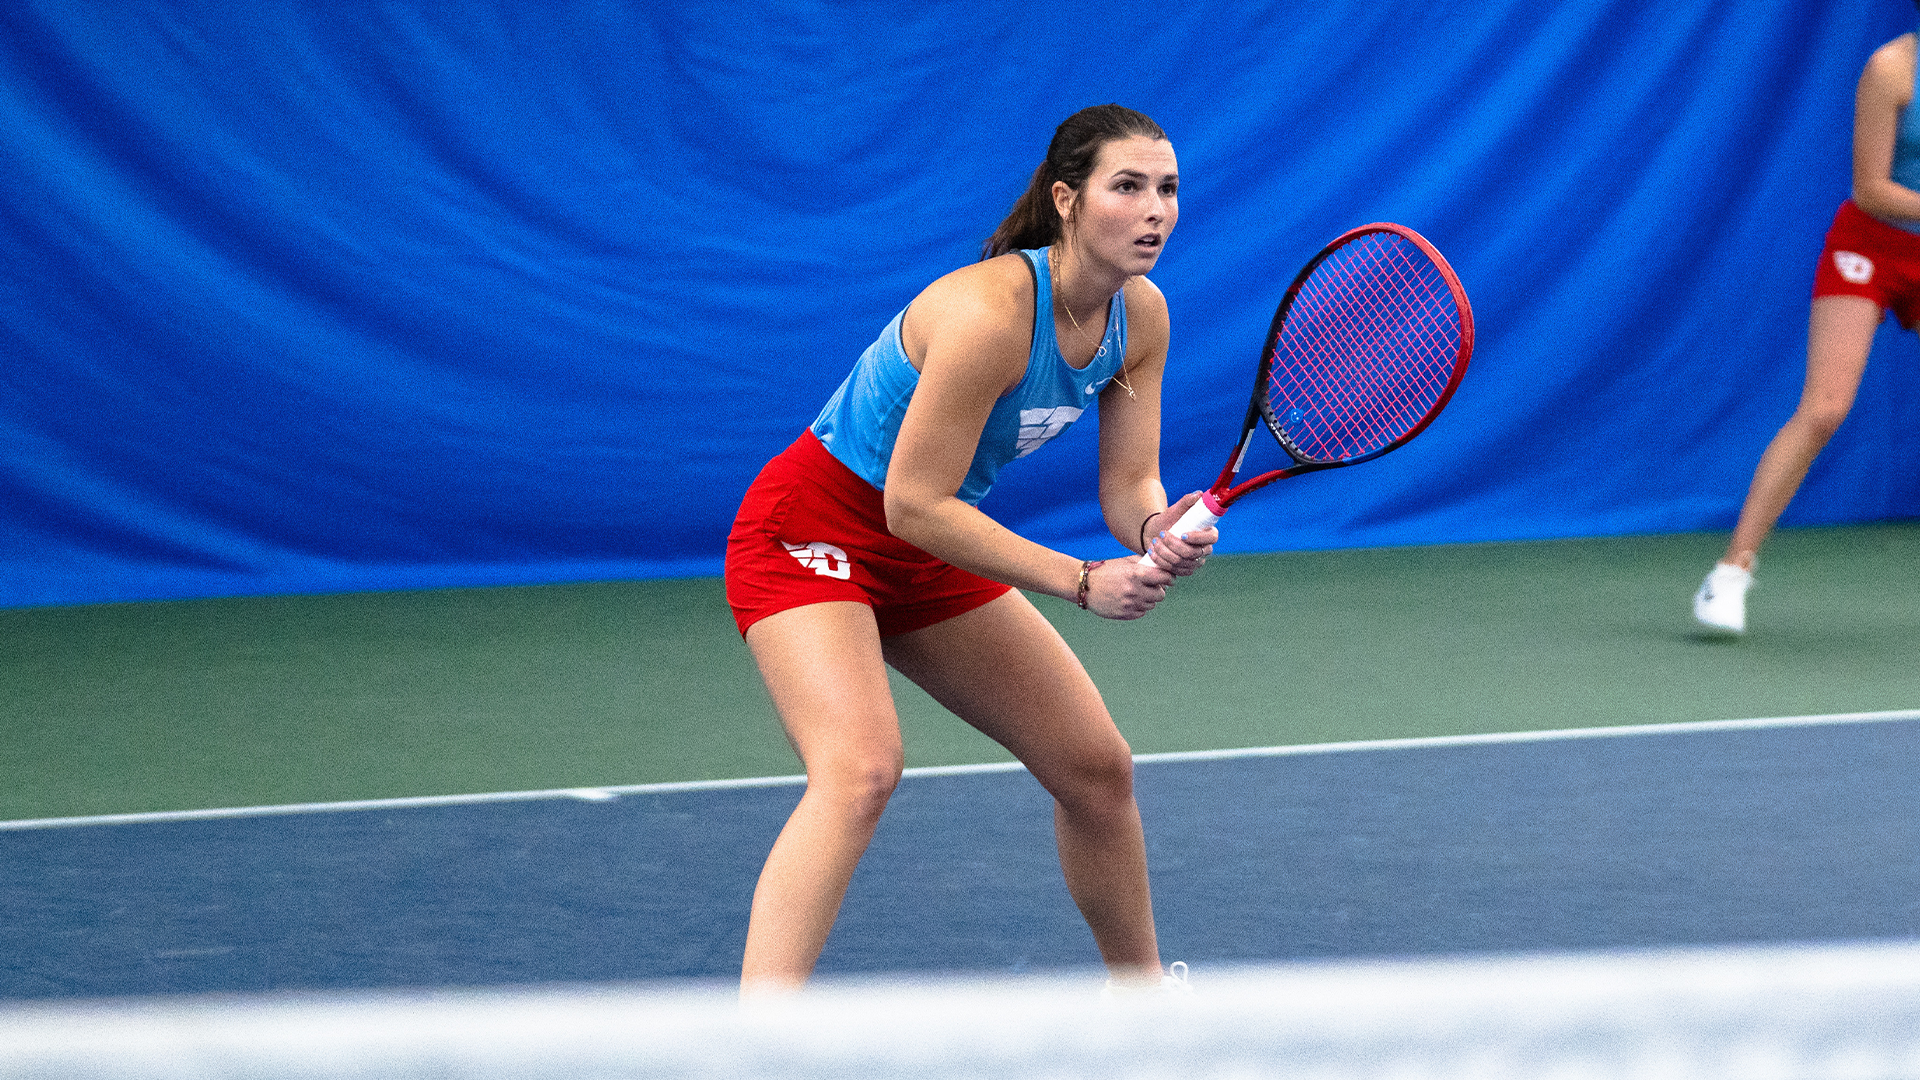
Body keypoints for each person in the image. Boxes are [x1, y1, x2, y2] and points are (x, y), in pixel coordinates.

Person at [723, 104, 1215, 995]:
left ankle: (1144, 1007)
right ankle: (756, 1045)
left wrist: (1156, 531)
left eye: (1168, 189)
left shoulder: (1138, 319)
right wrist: (1080, 580)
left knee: (1096, 771)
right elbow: (910, 501)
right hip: (812, 530)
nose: (1155, 211)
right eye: (1128, 187)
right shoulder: (991, 315)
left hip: (932, 542)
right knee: (861, 770)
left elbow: (1127, 488)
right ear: (1067, 200)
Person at [1695, 17, 1920, 635]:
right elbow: (1871, 189)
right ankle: (1731, 572)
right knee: (1824, 408)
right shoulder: (1892, 68)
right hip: (1870, 247)